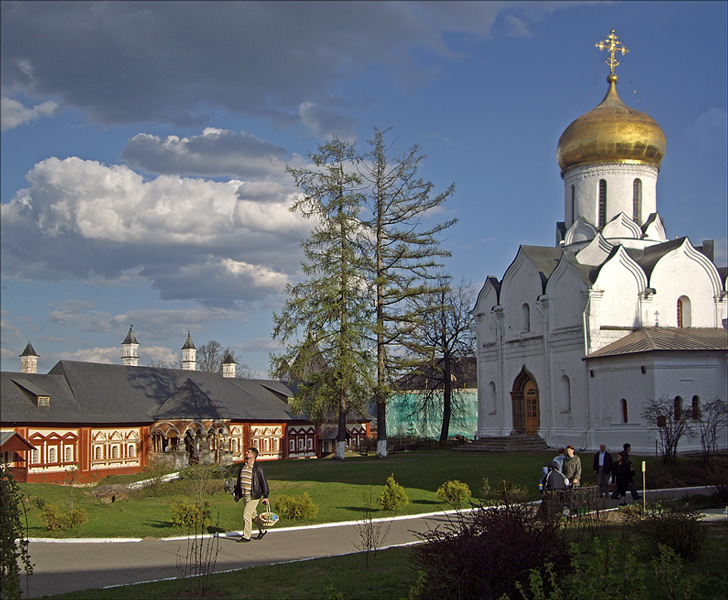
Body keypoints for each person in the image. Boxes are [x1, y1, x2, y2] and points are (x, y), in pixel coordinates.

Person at [234, 447, 270, 542]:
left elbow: (263, 482)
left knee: (246, 515)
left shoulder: (258, 468)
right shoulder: (243, 466)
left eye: (248, 452)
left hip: (254, 495)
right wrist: (237, 494)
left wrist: (265, 496)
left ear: (253, 456)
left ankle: (246, 536)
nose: (246, 453)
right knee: (253, 516)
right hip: (245, 495)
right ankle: (262, 530)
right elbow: (239, 482)